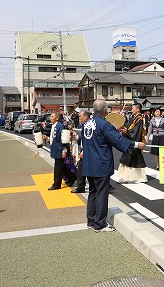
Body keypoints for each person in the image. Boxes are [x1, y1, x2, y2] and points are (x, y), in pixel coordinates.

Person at [81, 99, 145, 232]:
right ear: (105, 110)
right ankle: (100, 224)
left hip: (89, 163)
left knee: (93, 192)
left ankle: (91, 220)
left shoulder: (87, 123)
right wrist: (136, 144)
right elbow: (118, 140)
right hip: (100, 164)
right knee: (102, 194)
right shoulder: (104, 124)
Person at [45, 112, 77, 190]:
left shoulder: (60, 126)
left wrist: (64, 151)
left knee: (57, 167)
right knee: (61, 167)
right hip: (56, 149)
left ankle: (56, 184)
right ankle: (72, 177)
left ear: (57, 118)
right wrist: (48, 139)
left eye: (52, 116)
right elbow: (55, 139)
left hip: (60, 150)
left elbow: (65, 140)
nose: (50, 118)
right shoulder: (53, 126)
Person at [117, 102, 147, 183]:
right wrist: (122, 120)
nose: (132, 109)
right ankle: (130, 177)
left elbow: (136, 131)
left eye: (133, 108)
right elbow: (128, 125)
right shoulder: (134, 117)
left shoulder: (139, 118)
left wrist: (128, 131)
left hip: (135, 139)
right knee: (130, 158)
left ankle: (138, 177)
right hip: (131, 139)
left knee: (134, 158)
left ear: (138, 109)